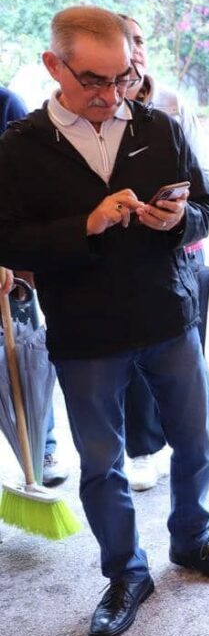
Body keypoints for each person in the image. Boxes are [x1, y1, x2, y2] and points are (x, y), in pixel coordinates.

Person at [0, 5, 209, 636]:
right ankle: (125, 573)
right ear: (53, 65)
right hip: (85, 331)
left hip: (168, 313)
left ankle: (193, 540)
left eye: (124, 78)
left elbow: (206, 204)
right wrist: (86, 224)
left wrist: (180, 222)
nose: (113, 95)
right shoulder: (20, 146)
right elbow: (10, 241)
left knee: (195, 443)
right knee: (101, 462)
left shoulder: (158, 126)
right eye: (95, 81)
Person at [116, 14, 209, 491]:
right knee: (134, 354)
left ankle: (208, 436)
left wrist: (184, 221)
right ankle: (142, 449)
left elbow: (203, 180)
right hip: (118, 258)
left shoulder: (171, 105)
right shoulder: (83, 114)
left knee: (188, 352)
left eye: (141, 40)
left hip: (182, 249)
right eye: (127, 43)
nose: (137, 51)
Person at [0, 86, 69, 488]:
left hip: (7, 265)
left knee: (24, 356)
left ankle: (41, 447)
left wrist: (10, 255)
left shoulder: (6, 105)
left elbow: (22, 197)